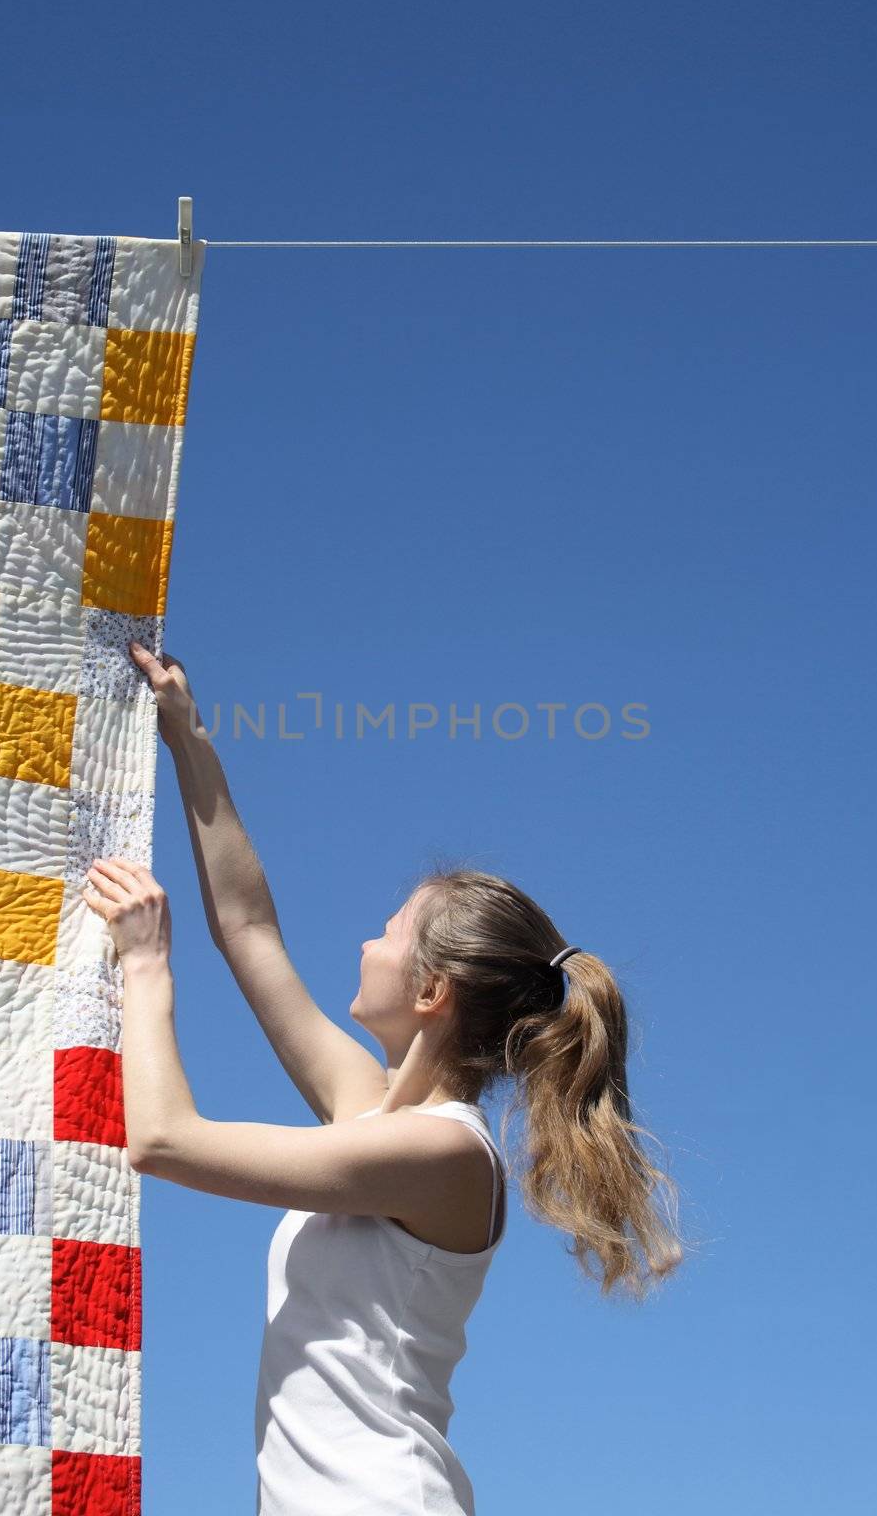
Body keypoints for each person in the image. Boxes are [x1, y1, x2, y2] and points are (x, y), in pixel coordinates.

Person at [81, 642, 684, 1516]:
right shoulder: (373, 1114)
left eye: (388, 931)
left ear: (432, 991)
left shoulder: (441, 1155)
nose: (365, 942)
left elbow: (163, 1139)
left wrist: (145, 968)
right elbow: (248, 927)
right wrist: (189, 738)